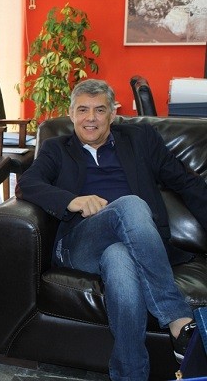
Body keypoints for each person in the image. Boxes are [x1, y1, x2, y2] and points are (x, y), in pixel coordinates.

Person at [16, 79, 207, 380]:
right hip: (81, 243)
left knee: (120, 259)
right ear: (71, 114)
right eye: (83, 110)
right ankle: (176, 318)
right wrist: (72, 201)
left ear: (113, 114)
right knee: (130, 204)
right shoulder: (57, 149)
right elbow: (27, 183)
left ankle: (129, 375)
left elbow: (186, 182)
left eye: (99, 110)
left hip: (133, 245)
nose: (90, 118)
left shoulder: (141, 139)